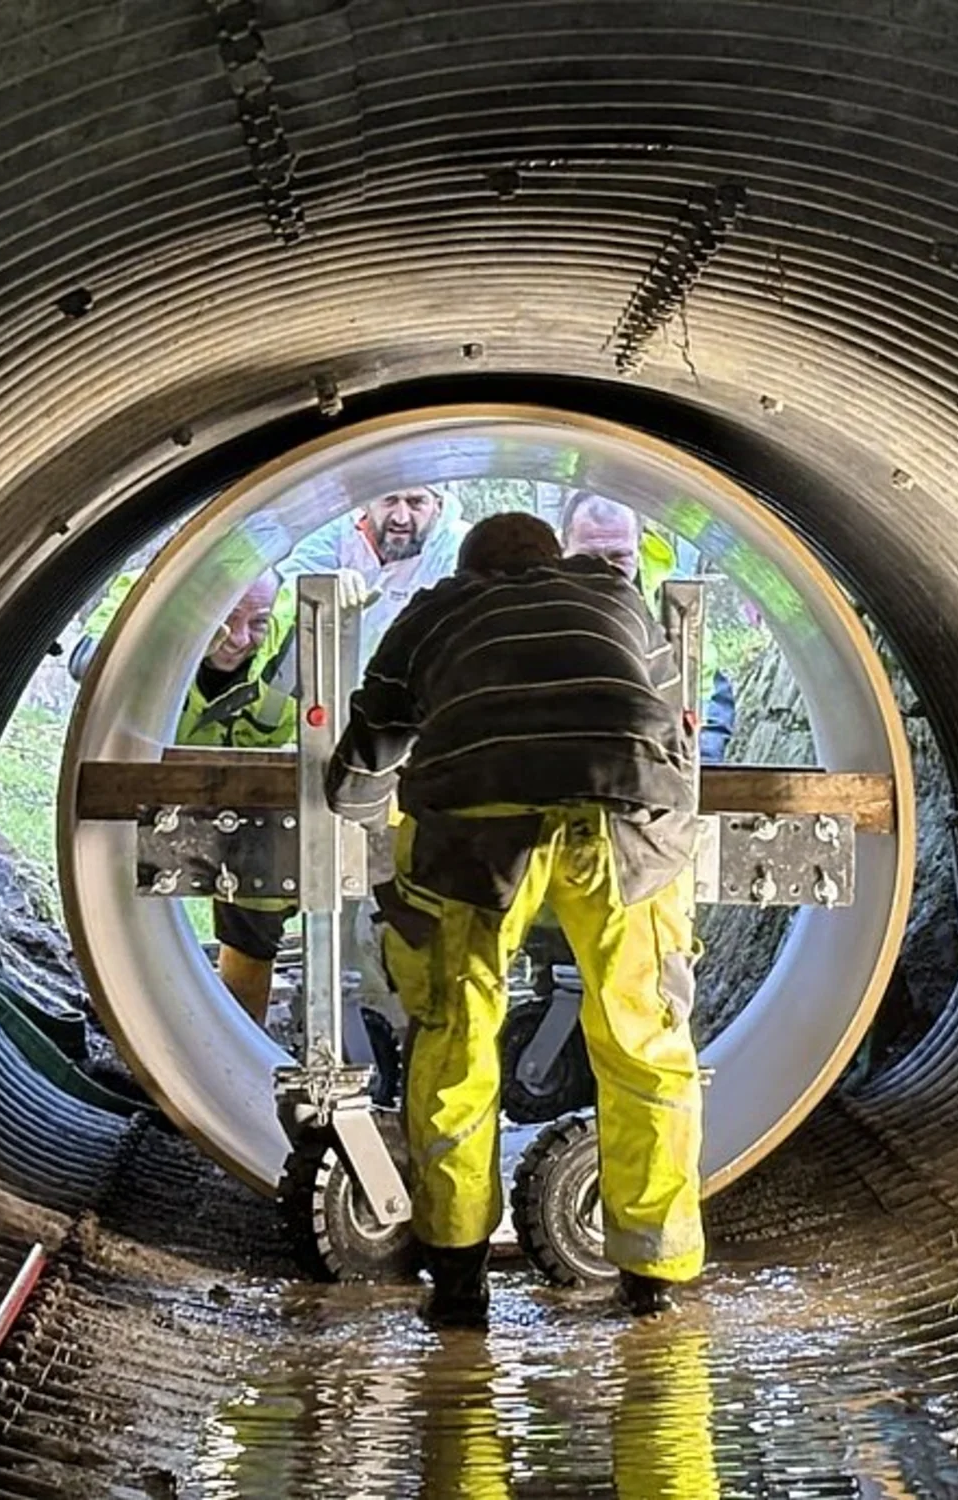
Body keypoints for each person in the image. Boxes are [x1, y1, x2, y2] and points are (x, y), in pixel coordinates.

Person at [326, 512, 705, 1327]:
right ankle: (656, 1276)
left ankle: (459, 1280)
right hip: (628, 816)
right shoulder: (613, 593)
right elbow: (671, 720)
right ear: (554, 558)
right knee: (645, 1039)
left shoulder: (432, 612)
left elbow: (366, 759)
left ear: (468, 571)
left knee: (458, 1034)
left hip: (480, 820)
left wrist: (369, 843)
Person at [175, 569, 297, 1028]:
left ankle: (243, 1033)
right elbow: (90, 658)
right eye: (225, 620)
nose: (239, 638)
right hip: (151, 792)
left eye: (258, 622)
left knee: (258, 887)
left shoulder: (294, 639)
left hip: (248, 803)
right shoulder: (160, 604)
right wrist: (178, 653)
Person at [559, 492, 734, 760]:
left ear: (639, 546)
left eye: (619, 558)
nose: (605, 571)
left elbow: (707, 692)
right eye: (588, 557)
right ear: (563, 548)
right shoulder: (536, 599)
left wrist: (702, 764)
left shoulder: (676, 601)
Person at [277, 485, 470, 663]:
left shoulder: (458, 546)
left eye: (416, 502)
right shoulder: (335, 533)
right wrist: (322, 587)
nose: (401, 518)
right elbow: (279, 595)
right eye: (390, 500)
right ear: (366, 504)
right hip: (321, 679)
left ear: (438, 506)